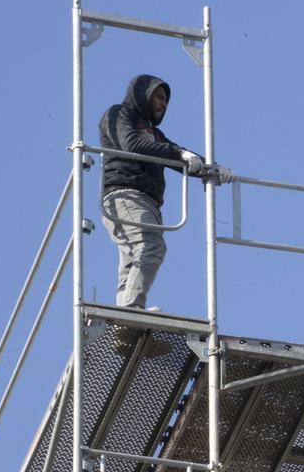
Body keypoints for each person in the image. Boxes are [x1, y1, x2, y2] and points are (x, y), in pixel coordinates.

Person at [99, 74, 233, 309]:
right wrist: (180, 155)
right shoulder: (119, 114)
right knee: (151, 245)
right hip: (126, 194)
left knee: (133, 258)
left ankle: (125, 314)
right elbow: (132, 145)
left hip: (146, 201)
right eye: (159, 97)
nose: (163, 104)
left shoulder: (154, 134)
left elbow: (176, 154)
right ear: (143, 94)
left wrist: (212, 168)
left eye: (166, 100)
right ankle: (132, 307)